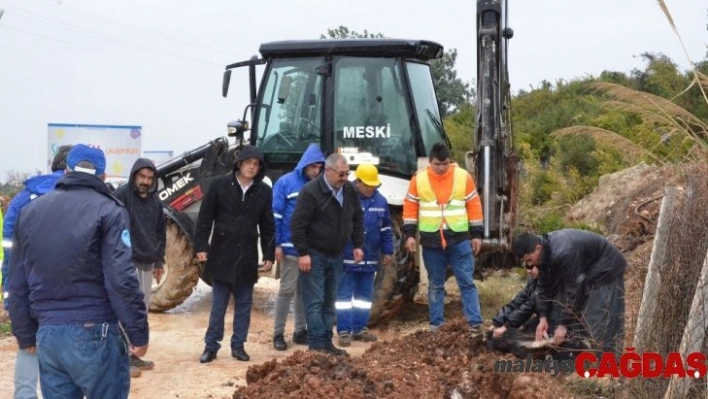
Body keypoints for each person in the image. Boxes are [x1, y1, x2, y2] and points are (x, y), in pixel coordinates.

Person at [7, 144, 149, 398]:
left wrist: (25, 333)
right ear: (103, 176)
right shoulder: (110, 210)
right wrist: (137, 331)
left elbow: (17, 279)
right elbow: (121, 278)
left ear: (66, 172)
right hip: (95, 332)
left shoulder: (30, 212)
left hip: (49, 335)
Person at [2, 144, 72, 399]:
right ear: (69, 169)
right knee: (63, 361)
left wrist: (10, 292)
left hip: (26, 291)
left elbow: (9, 251)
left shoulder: (22, 198)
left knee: (27, 348)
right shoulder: (71, 196)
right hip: (61, 295)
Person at [194, 146, 275, 363]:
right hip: (221, 253)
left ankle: (238, 346)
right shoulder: (219, 185)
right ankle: (211, 347)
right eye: (248, 162)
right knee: (219, 305)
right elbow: (204, 219)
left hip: (247, 256)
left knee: (244, 305)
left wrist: (269, 252)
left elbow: (268, 224)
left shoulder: (263, 192)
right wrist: (201, 246)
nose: (252, 166)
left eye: (256, 164)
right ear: (239, 163)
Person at [402, 143, 485, 333]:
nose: (441, 168)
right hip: (431, 241)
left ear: (450, 161)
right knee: (435, 285)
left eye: (445, 164)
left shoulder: (463, 177)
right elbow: (410, 207)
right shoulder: (418, 179)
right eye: (437, 164)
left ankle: (475, 323)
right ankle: (436, 326)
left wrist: (477, 235)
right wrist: (409, 235)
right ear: (430, 162)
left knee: (466, 282)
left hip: (459, 239)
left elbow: (474, 205)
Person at [290, 153, 364, 356]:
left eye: (347, 173)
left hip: (336, 253)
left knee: (330, 301)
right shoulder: (311, 192)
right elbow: (297, 225)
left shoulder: (348, 189)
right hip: (314, 254)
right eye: (341, 174)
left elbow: (357, 217)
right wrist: (303, 253)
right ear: (328, 171)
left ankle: (327, 342)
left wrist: (357, 244)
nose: (345, 177)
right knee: (315, 301)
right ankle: (316, 346)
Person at [512, 229, 626, 354]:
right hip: (587, 273)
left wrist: (563, 325)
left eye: (529, 259)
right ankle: (592, 357)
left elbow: (574, 289)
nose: (529, 265)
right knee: (587, 317)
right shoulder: (543, 253)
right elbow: (545, 286)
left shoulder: (564, 252)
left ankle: (610, 366)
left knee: (601, 321)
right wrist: (543, 318)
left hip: (606, 269)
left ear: (538, 248)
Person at [113, 158, 166, 375]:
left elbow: (160, 233)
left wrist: (159, 261)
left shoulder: (155, 202)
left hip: (147, 263)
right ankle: (121, 359)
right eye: (142, 176)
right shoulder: (121, 197)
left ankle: (133, 355)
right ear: (134, 175)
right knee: (125, 311)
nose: (145, 181)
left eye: (150, 178)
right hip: (126, 263)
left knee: (141, 312)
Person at [271, 143, 325, 351]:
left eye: (320, 167)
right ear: (305, 165)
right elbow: (276, 215)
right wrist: (277, 244)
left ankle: (300, 331)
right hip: (288, 247)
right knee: (286, 291)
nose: (317, 171)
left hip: (308, 251)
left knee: (303, 292)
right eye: (314, 167)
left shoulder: (318, 186)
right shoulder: (286, 183)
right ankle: (278, 333)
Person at [335, 163, 393, 346]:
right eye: (367, 184)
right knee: (344, 297)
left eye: (373, 185)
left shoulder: (381, 201)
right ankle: (344, 331)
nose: (370, 188)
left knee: (364, 298)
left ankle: (359, 329)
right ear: (357, 182)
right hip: (347, 257)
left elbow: (386, 229)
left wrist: (388, 251)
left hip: (369, 258)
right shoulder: (344, 198)